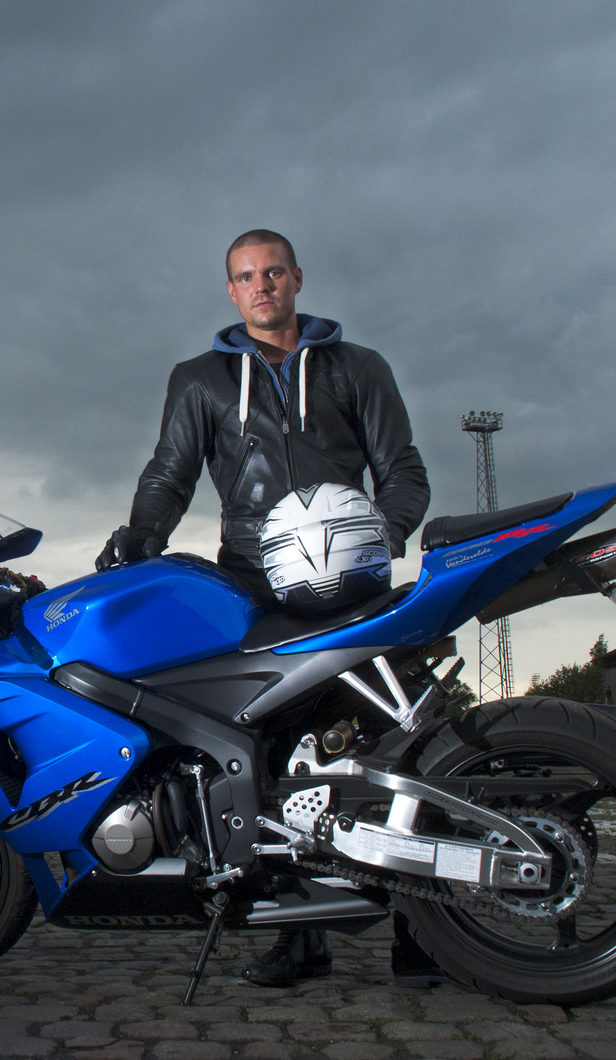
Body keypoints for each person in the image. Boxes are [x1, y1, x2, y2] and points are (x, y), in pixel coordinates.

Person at [95, 229, 444, 988]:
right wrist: (139, 534)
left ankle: (428, 933)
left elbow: (402, 471)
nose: (262, 287)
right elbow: (169, 473)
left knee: (408, 744)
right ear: (230, 291)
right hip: (252, 587)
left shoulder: (359, 368)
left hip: (353, 585)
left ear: (296, 278)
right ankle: (297, 939)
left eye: (273, 272)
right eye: (246, 277)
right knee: (252, 755)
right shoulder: (200, 379)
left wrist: (376, 540)